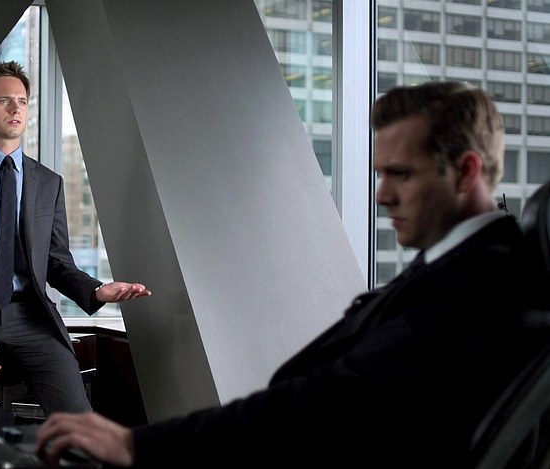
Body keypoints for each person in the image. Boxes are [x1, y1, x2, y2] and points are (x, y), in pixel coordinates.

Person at [34, 81, 548, 467]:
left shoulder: (478, 285)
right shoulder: (461, 266)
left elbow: (331, 403)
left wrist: (138, 444)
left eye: (401, 174)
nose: (382, 195)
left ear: (466, 171)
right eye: (380, 174)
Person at [0, 61, 150, 417]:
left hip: (30, 315)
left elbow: (55, 261)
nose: (16, 109)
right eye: (4, 101)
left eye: (22, 101)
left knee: (79, 422)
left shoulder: (49, 182)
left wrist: (97, 290)